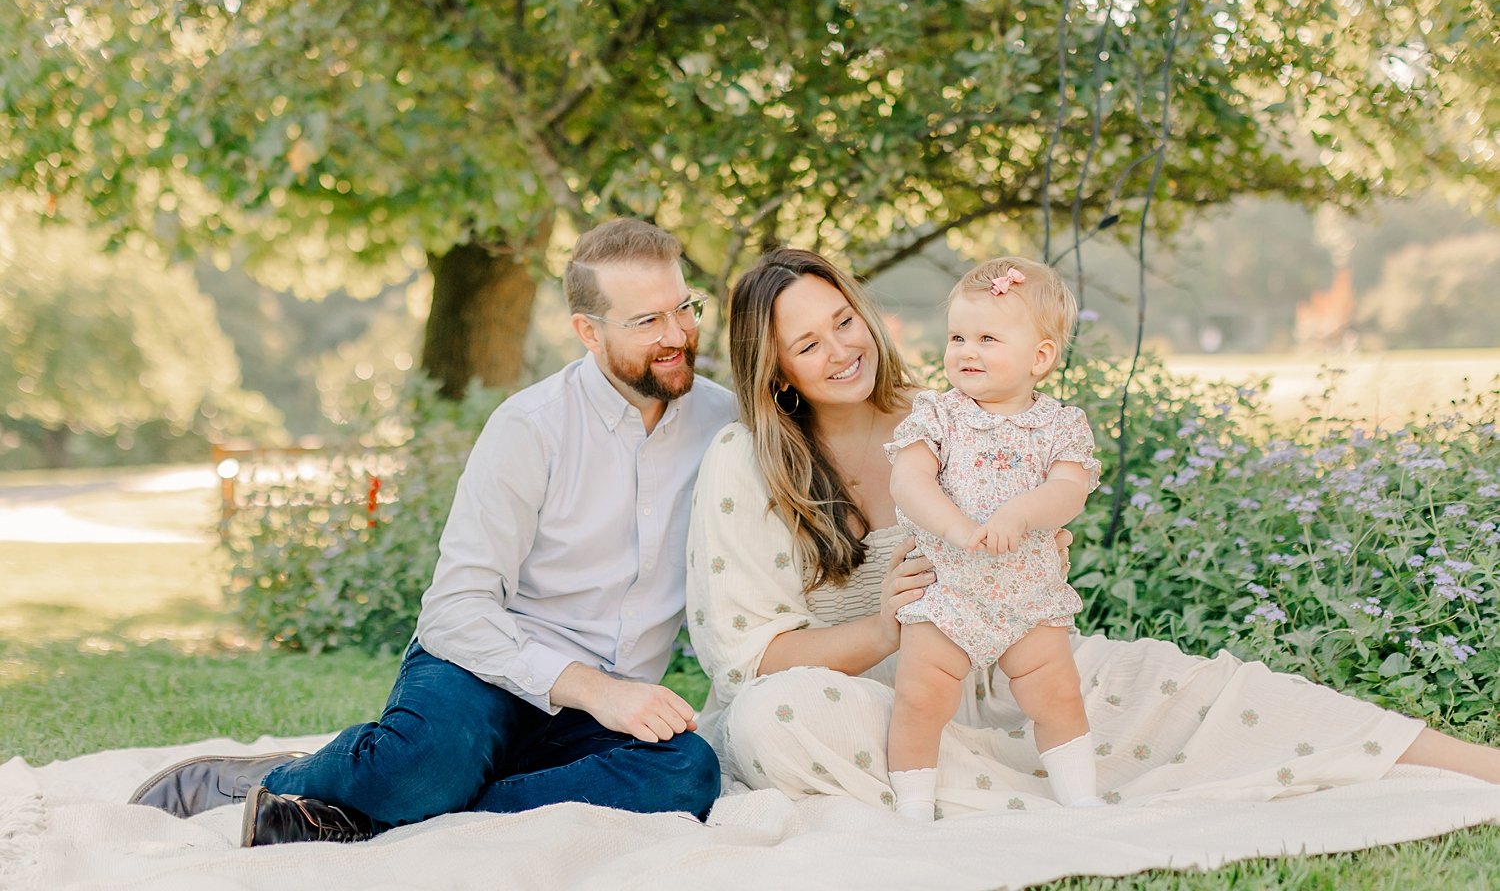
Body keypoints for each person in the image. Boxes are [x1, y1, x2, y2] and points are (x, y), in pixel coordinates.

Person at [685, 246, 1500, 819]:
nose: (840, 349)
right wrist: (883, 627)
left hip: (1003, 663)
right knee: (773, 723)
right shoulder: (747, 460)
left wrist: (1033, 534)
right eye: (807, 342)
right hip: (863, 704)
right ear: (774, 366)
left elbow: (1045, 495)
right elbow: (750, 660)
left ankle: (1474, 766)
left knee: (1180, 685)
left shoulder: (947, 414)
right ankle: (979, 789)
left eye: (844, 321)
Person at [129, 218, 737, 845]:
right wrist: (594, 689)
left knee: (686, 775)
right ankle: (290, 778)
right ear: (587, 331)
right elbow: (454, 611)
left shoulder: (725, 421)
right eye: (647, 322)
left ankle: (389, 803)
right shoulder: (531, 428)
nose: (677, 335)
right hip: (484, 672)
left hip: (602, 713)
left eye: (684, 309)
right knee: (426, 763)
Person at [885, 257, 1100, 819]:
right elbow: (908, 480)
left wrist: (1025, 511)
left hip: (1027, 596)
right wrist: (954, 526)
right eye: (958, 337)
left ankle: (1082, 799)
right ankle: (912, 808)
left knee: (1056, 694)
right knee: (920, 695)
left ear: (1041, 357)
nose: (967, 351)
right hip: (948, 592)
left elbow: (1070, 489)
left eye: (987, 338)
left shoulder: (1059, 425)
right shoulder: (940, 415)